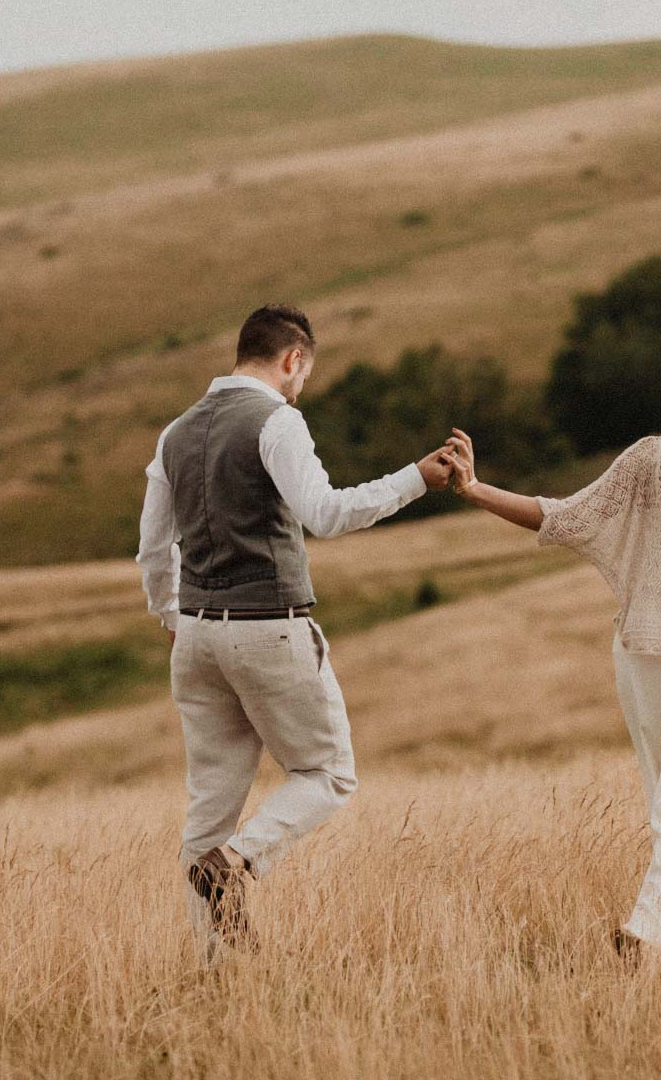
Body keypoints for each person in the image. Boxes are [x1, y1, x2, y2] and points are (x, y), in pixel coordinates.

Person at [444, 327, 661, 967]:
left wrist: (474, 489)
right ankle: (647, 929)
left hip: (641, 654)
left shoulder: (647, 460)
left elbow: (561, 516)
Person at [136, 303, 454, 953]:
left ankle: (216, 969)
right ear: (291, 359)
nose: (300, 385)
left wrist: (173, 617)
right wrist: (416, 478)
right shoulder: (276, 420)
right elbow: (326, 512)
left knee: (209, 805)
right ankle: (240, 862)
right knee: (328, 771)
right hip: (268, 627)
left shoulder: (175, 432)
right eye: (302, 373)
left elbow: (151, 547)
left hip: (195, 636)